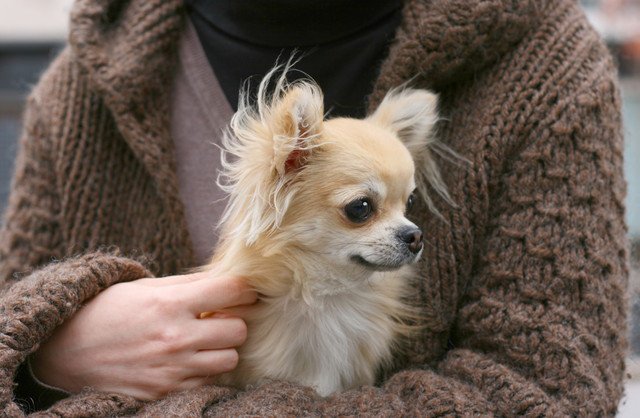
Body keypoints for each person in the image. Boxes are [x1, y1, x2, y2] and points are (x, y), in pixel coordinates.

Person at [0, 0, 629, 415]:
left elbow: (548, 395)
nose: (404, 228)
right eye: (360, 208)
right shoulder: (83, 88)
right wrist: (43, 351)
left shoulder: (545, 66)